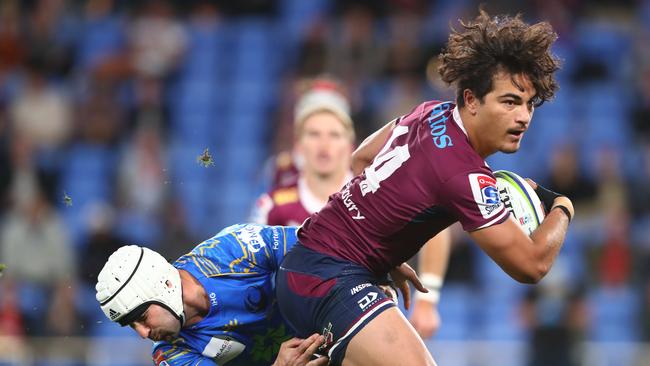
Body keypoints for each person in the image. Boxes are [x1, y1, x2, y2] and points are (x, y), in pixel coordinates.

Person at [275, 10, 574, 366]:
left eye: (529, 104)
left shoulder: (430, 112)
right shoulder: (463, 175)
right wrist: (561, 205)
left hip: (309, 267)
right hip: (329, 279)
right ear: (472, 100)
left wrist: (385, 255)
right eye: (509, 102)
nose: (523, 116)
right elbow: (531, 266)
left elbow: (359, 160)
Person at [252, 76, 450, 338]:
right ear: (299, 146)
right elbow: (254, 274)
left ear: (351, 145)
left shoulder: (375, 188)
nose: (324, 144)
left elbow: (434, 224)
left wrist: (429, 298)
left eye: (334, 135)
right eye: (314, 134)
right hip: (294, 331)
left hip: (362, 323)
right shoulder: (273, 206)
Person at [95, 223, 422, 366]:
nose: (142, 334)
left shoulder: (231, 252)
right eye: (131, 326)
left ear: (161, 285)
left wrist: (377, 261)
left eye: (140, 317)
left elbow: (316, 248)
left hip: (326, 331)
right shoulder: (171, 355)